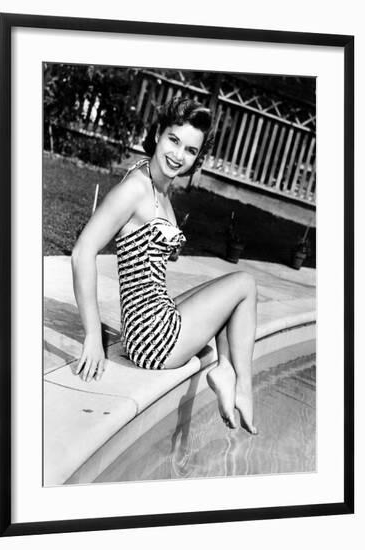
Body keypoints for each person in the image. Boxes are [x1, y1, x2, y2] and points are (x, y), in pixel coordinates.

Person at [72, 97, 258, 435]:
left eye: (189, 150)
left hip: (150, 322)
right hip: (154, 340)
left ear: (197, 157)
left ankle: (225, 368)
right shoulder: (136, 189)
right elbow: (82, 251)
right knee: (244, 284)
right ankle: (241, 384)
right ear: (158, 133)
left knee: (228, 297)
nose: (178, 155)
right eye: (173, 140)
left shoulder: (157, 185)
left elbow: (143, 243)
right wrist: (91, 336)